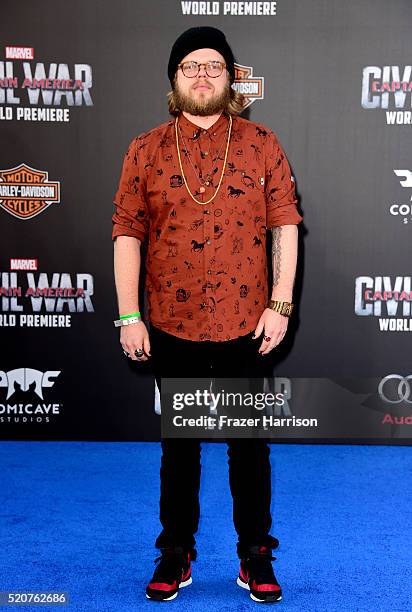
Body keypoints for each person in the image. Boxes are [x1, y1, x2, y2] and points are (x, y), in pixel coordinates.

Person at [112, 26, 302, 604]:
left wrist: (280, 303)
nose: (202, 74)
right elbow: (127, 234)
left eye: (213, 66)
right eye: (190, 65)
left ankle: (254, 554)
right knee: (180, 445)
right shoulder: (144, 149)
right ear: (174, 79)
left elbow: (284, 225)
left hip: (249, 322)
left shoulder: (262, 142)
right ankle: (176, 549)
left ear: (231, 77)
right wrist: (129, 316)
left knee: (249, 445)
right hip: (173, 322)